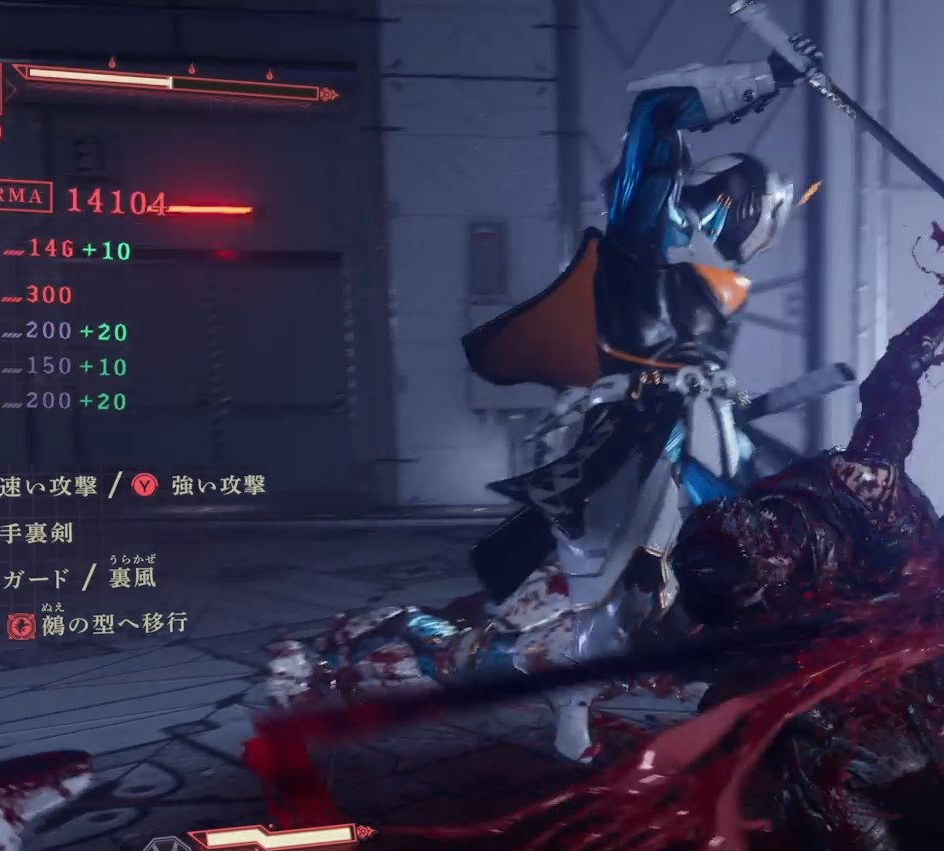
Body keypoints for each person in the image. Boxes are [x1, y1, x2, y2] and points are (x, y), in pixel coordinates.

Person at [267, 45, 819, 764]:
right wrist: (768, 76)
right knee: (580, 605)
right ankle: (353, 664)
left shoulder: (707, 273)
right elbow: (656, 112)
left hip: (681, 439)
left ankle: (679, 678)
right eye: (764, 219)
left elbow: (692, 374)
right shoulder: (648, 230)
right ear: (742, 201)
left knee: (718, 559)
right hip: (624, 440)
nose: (761, 241)